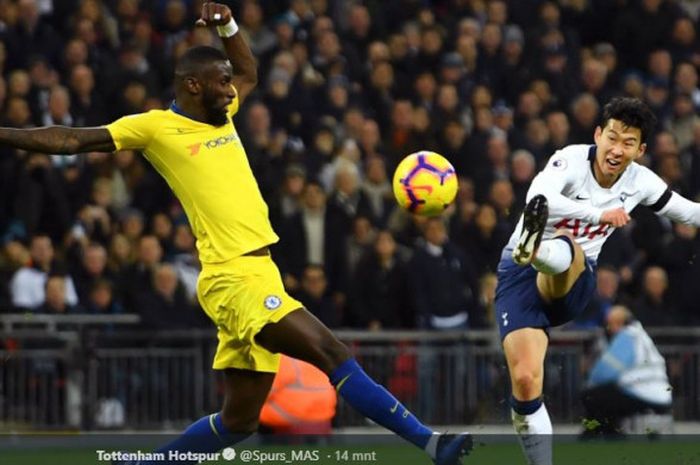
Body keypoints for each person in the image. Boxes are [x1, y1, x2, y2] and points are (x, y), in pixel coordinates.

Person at [0, 3, 471, 465]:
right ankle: (429, 443)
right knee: (332, 352)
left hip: (260, 274)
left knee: (238, 422)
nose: (231, 89)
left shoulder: (221, 116)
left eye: (228, 81)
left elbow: (249, 71)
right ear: (192, 85)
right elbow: (72, 139)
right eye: (221, 81)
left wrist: (227, 25)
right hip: (232, 278)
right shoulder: (157, 128)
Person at [496, 97, 700, 465]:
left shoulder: (642, 182)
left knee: (567, 247)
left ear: (641, 150)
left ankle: (538, 249)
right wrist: (599, 214)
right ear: (597, 134)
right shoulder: (569, 159)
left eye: (628, 142)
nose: (617, 148)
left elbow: (688, 213)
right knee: (526, 380)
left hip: (575, 276)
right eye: (612, 137)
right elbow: (537, 198)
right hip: (518, 276)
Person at [580, 305, 672, 437]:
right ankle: (608, 434)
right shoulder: (641, 335)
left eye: (610, 323)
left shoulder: (627, 336)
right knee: (608, 399)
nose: (608, 328)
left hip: (642, 393)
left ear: (619, 322)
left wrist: (589, 384)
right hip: (661, 394)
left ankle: (598, 437)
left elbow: (605, 371)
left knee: (591, 396)